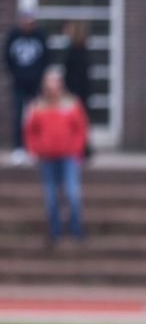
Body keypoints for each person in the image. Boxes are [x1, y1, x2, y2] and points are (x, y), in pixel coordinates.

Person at [24, 67, 88, 246]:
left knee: (73, 194)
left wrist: (77, 149)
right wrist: (35, 149)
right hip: (47, 158)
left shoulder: (71, 104)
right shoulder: (37, 106)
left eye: (55, 85)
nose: (52, 90)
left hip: (68, 157)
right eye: (49, 86)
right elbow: (30, 131)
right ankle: (55, 231)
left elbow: (81, 129)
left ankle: (77, 229)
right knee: (50, 197)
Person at [6, 9, 50, 165]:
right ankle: (19, 148)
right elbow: (7, 58)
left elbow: (46, 58)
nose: (27, 25)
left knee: (36, 115)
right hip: (19, 83)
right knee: (19, 115)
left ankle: (35, 148)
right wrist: (16, 74)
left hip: (36, 83)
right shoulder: (13, 36)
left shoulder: (40, 36)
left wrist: (40, 77)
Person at [60, 21, 92, 162]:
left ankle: (82, 150)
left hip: (76, 93)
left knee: (78, 123)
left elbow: (76, 76)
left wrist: (70, 93)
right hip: (77, 92)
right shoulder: (78, 50)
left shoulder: (77, 52)